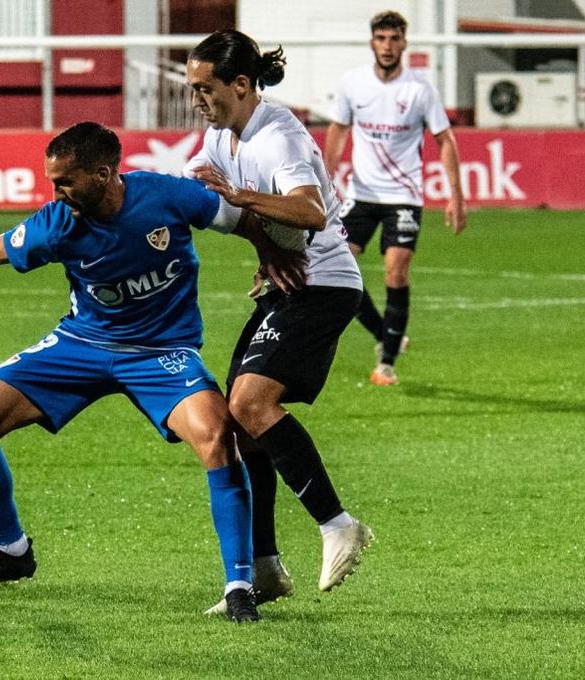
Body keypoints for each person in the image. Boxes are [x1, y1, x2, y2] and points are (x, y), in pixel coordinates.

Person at [0, 121, 282, 623]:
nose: (55, 191)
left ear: (104, 174)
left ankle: (239, 586)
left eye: (64, 181)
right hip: (81, 345)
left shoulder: (167, 196)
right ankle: (11, 552)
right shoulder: (58, 222)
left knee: (217, 438)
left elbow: (241, 220)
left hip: (161, 352)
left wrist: (271, 256)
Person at [183, 29, 374, 614]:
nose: (197, 99)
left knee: (250, 405)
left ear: (241, 85)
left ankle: (338, 523)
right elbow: (198, 180)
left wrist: (242, 199)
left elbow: (309, 209)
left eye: (204, 88)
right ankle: (264, 567)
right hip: (286, 286)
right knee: (237, 424)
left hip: (323, 285)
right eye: (192, 88)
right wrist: (263, 246)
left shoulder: (278, 136)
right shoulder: (225, 133)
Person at [324, 10, 468, 386]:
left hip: (404, 195)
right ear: (372, 42)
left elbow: (445, 140)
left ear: (404, 43)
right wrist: (324, 180)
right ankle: (384, 333)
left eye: (395, 39)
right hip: (361, 194)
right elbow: (338, 132)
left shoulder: (419, 89)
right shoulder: (353, 84)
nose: (388, 46)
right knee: (340, 271)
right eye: (381, 38)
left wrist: (457, 197)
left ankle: (386, 363)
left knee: (395, 271)